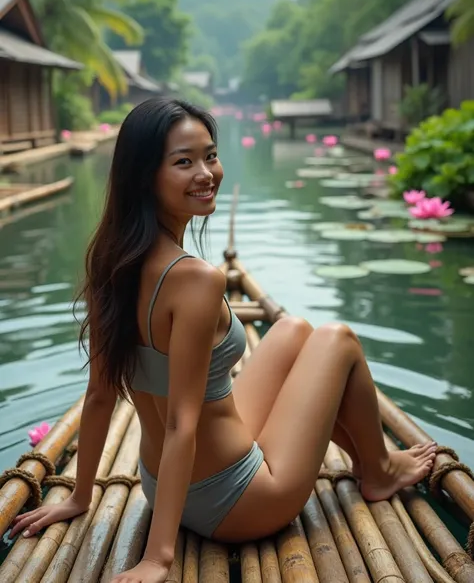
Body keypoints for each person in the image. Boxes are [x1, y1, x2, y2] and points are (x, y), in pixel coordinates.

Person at [9, 99, 437, 583]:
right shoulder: (195, 280)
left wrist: (80, 495)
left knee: (293, 330)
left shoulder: (111, 260)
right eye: (183, 162)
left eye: (210, 156)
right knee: (337, 339)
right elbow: (181, 425)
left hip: (163, 482)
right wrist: (158, 558)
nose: (206, 173)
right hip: (240, 501)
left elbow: (100, 395)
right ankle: (377, 471)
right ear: (144, 175)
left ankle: (368, 458)